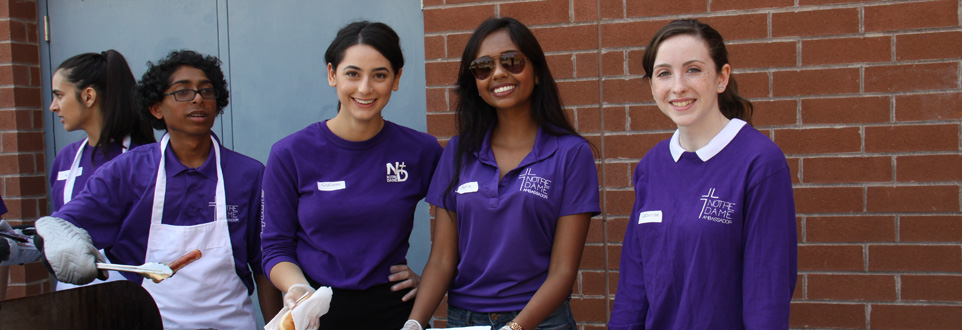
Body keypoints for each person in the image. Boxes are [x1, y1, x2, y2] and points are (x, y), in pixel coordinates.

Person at [34, 50, 282, 329]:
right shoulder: (127, 172)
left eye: (206, 91)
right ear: (156, 108)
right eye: (182, 92)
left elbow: (264, 265)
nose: (198, 98)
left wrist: (276, 325)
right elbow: (65, 224)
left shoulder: (248, 175)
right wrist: (59, 239)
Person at [404, 17, 600, 330]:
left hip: (541, 322)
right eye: (483, 67)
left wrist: (515, 327)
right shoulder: (457, 152)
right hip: (465, 321)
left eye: (512, 61)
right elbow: (442, 260)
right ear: (476, 83)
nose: (498, 73)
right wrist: (414, 323)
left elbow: (563, 271)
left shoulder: (571, 154)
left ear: (536, 73)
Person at [608, 19, 797, 329]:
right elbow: (634, 284)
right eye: (664, 73)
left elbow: (767, 296)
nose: (678, 86)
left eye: (693, 69)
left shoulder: (760, 162)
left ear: (722, 78)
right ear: (653, 85)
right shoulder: (651, 167)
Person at [261, 21, 442, 329]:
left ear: (397, 78)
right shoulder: (290, 153)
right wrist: (298, 289)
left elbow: (464, 222)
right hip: (316, 310)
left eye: (380, 75)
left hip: (393, 311)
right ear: (332, 74)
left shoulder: (421, 151)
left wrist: (428, 282)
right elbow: (275, 246)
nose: (365, 88)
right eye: (353, 73)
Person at [48, 50, 156, 290]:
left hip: (134, 292)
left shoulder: (145, 159)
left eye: (58, 95)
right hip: (72, 293)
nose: (52, 107)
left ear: (88, 96)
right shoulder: (65, 159)